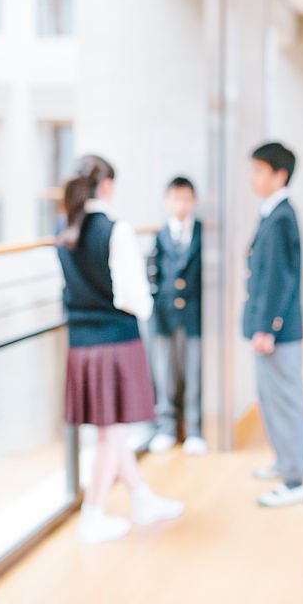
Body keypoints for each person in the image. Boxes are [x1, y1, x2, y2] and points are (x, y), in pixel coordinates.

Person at [57, 155, 184, 544]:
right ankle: (92, 514)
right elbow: (135, 298)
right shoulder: (117, 231)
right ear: (107, 186)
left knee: (110, 429)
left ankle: (141, 498)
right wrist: (146, 305)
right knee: (113, 433)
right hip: (115, 339)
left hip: (81, 344)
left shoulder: (65, 231)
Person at [243, 142, 303, 508]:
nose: (253, 177)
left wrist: (268, 325)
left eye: (259, 170)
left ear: (279, 174)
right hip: (268, 326)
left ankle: (297, 476)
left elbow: (279, 278)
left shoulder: (282, 215)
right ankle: (286, 460)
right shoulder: (272, 212)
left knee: (285, 400)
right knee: (271, 398)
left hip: (277, 329)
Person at [148, 176, 206, 456]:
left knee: (194, 373)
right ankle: (166, 428)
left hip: (195, 315)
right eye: (175, 198)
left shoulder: (203, 233)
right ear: (166, 201)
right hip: (164, 315)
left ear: (193, 201)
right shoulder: (159, 235)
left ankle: (194, 429)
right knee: (165, 373)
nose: (181, 204)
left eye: (185, 198)